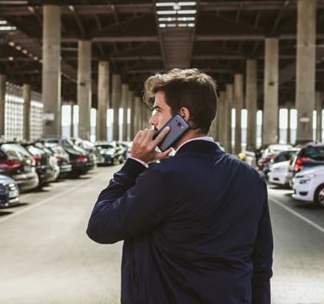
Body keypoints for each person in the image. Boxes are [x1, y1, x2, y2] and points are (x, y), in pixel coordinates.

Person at [86, 68, 273, 303]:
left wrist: (134, 164)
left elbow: (100, 226)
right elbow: (261, 262)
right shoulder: (251, 178)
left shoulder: (164, 177)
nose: (152, 120)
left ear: (182, 117)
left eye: (157, 110)